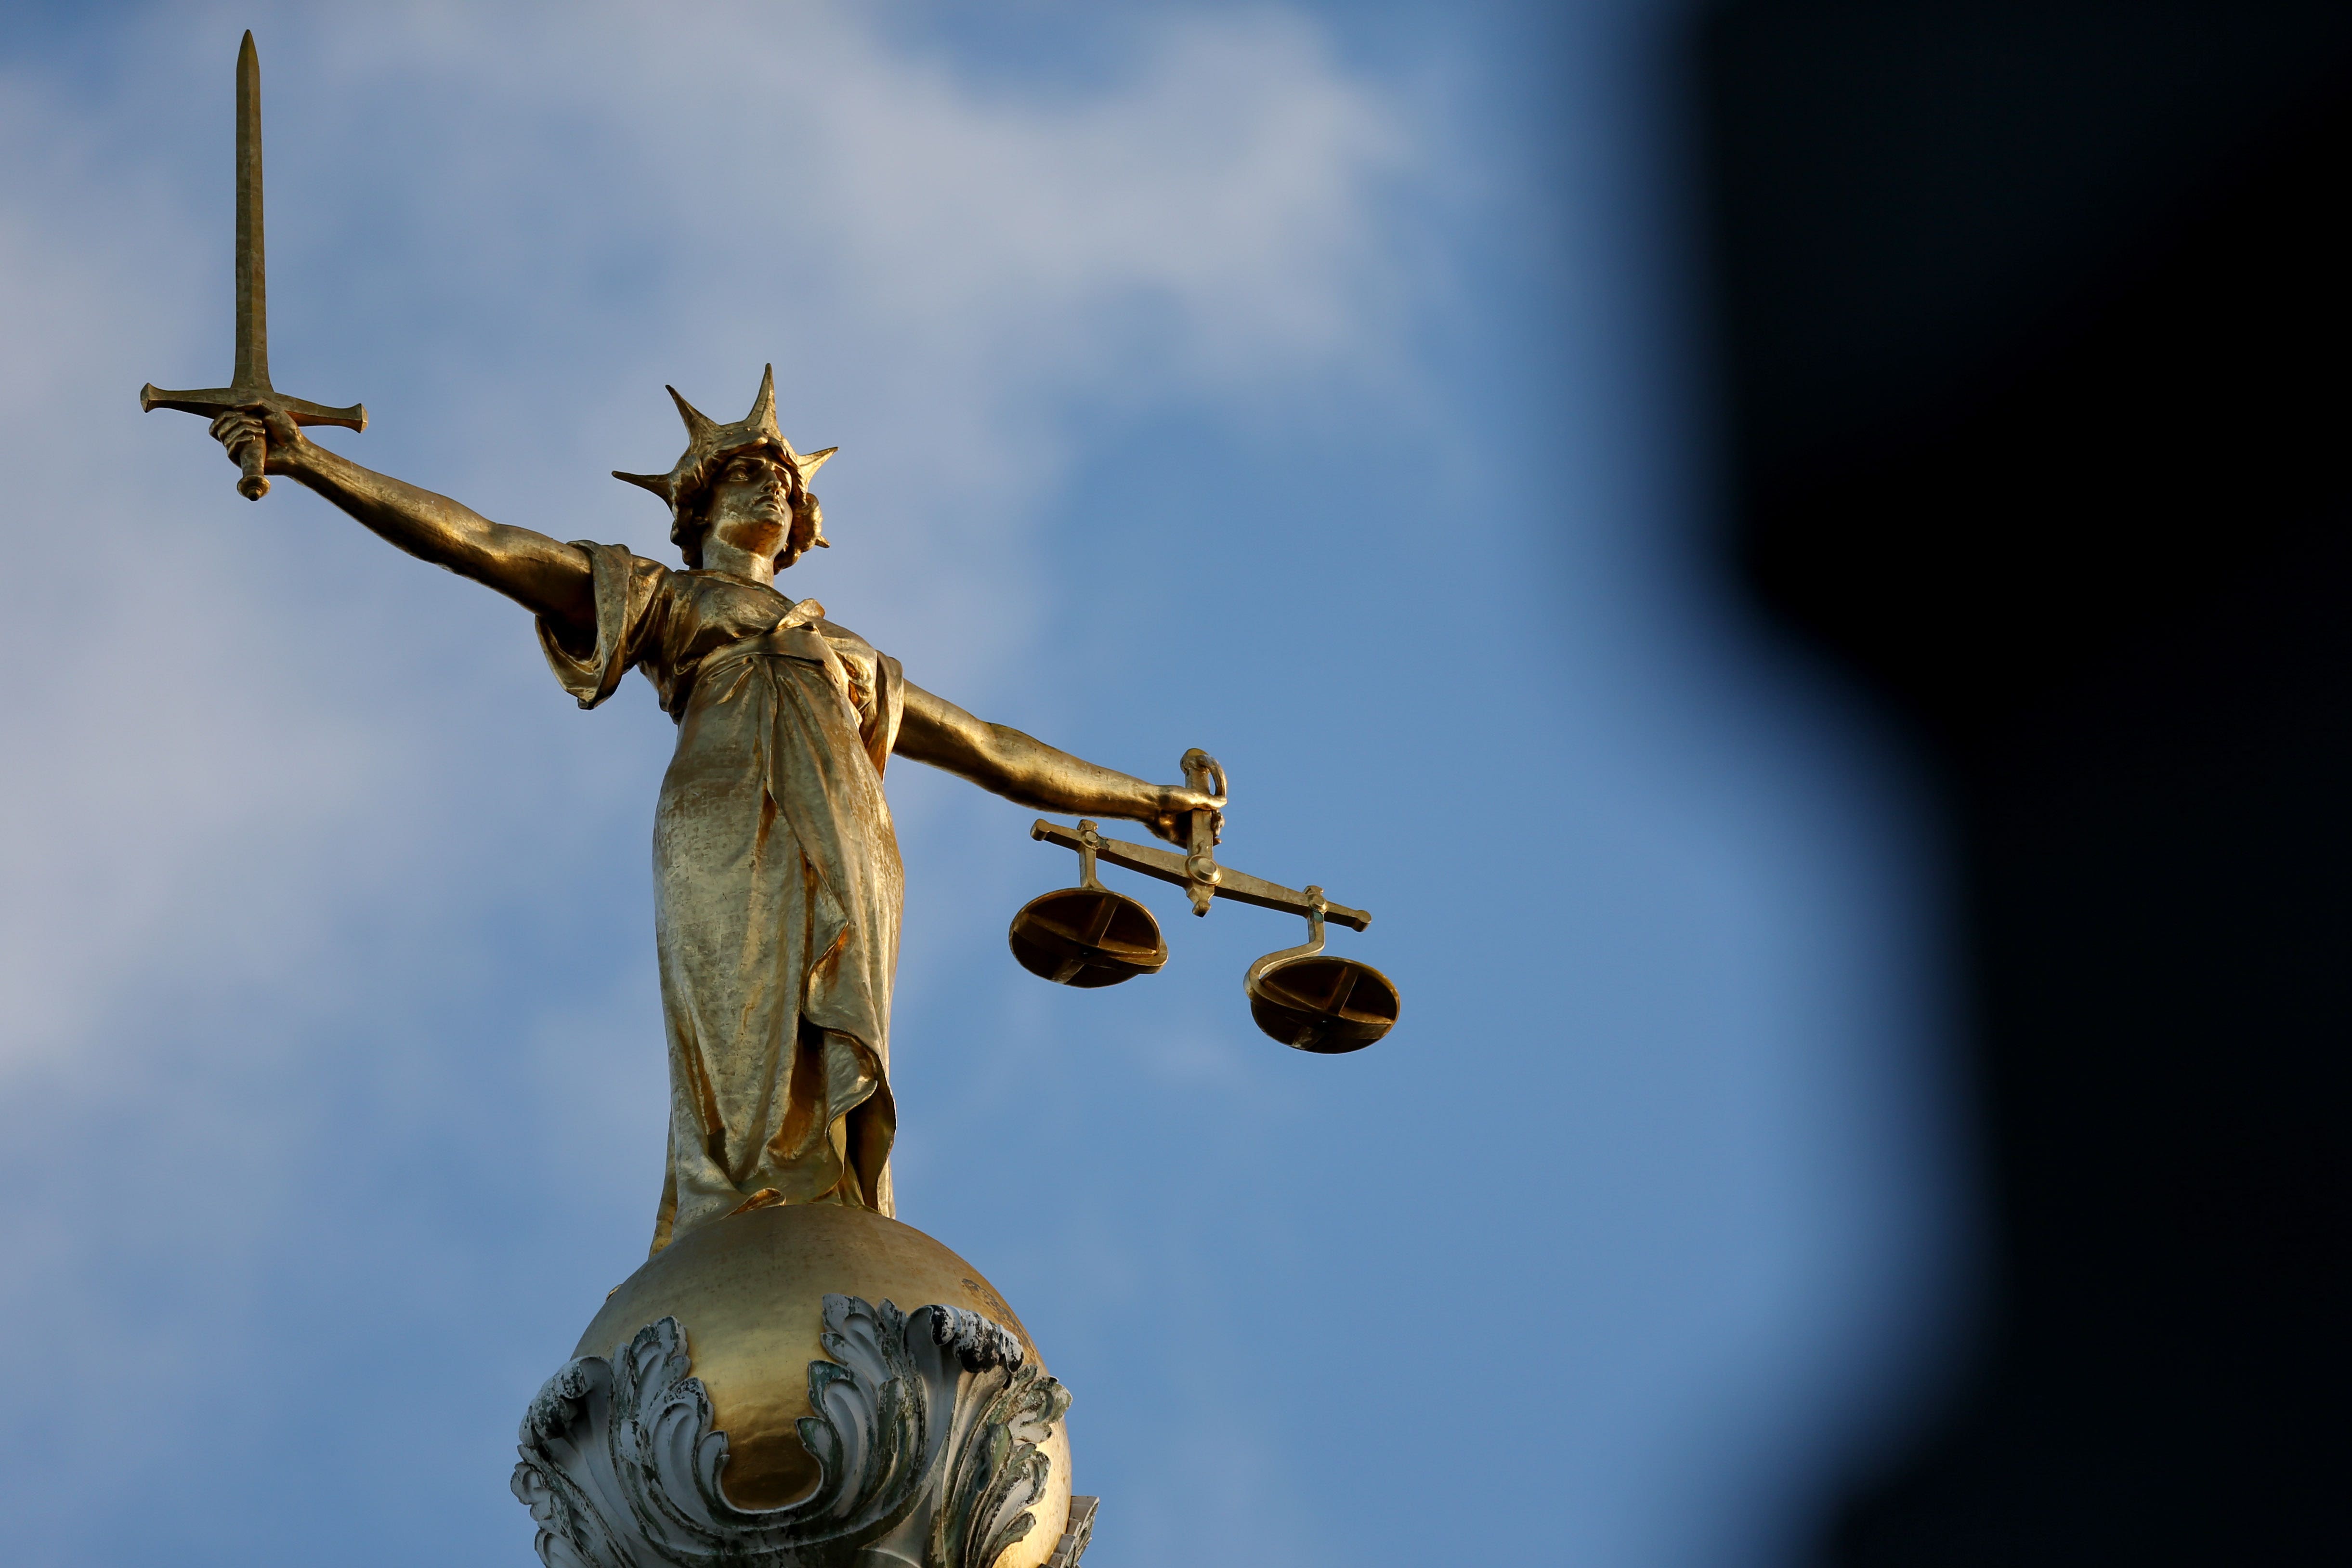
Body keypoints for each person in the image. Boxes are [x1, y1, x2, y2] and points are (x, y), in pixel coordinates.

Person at [208, 368, 1223, 1254]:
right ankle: (735, 1214)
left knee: (834, 1030)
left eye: (783, 482)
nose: (771, 489)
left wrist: (1148, 800)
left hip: (853, 838)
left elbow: (989, 746)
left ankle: (828, 1203)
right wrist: (311, 460)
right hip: (726, 815)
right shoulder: (668, 599)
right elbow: (481, 543)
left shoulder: (855, 656)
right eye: (744, 475)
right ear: (696, 509)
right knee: (737, 1021)